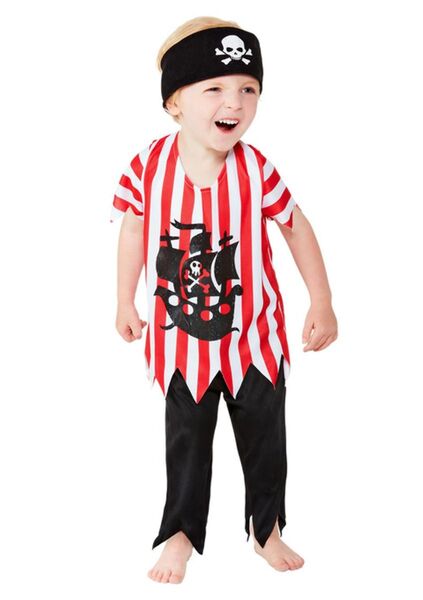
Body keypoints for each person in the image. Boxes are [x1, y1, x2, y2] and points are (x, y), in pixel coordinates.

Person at [110, 16, 338, 584]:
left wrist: (322, 300)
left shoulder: (256, 169)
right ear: (174, 103)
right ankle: (180, 535)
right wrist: (124, 300)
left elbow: (295, 227)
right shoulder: (147, 167)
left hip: (253, 339)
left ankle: (266, 529)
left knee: (266, 441)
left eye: (248, 88)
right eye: (213, 87)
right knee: (186, 443)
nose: (234, 101)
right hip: (181, 345)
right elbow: (133, 230)